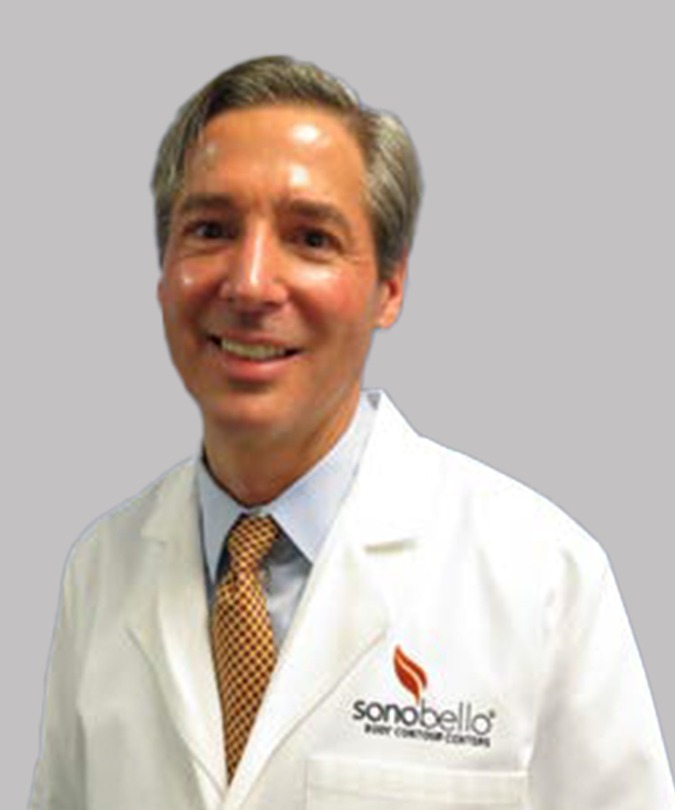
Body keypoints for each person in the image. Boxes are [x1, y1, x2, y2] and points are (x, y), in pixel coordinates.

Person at [29, 55, 674, 810]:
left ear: (389, 288)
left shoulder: (543, 578)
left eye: (311, 238)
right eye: (210, 229)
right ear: (165, 270)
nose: (250, 283)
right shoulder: (99, 571)